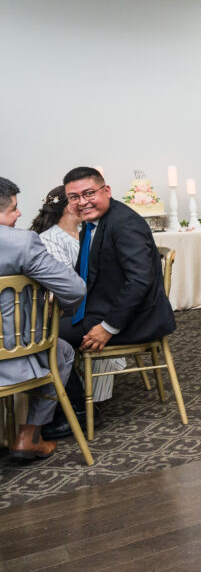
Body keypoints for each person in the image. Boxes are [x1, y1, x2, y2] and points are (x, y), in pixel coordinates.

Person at [0, 177, 85, 460]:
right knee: (61, 350)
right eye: (13, 209)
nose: (19, 213)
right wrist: (56, 311)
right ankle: (29, 435)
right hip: (14, 351)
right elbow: (74, 288)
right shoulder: (21, 242)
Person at [58, 166, 176, 356]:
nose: (82, 202)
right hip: (101, 307)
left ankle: (64, 377)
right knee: (41, 326)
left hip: (134, 320)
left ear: (106, 191)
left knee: (41, 336)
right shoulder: (92, 223)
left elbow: (139, 280)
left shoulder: (125, 223)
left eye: (89, 193)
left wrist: (108, 327)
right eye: (74, 197)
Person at [30, 186, 125, 410]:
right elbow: (65, 287)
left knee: (96, 322)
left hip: (99, 304)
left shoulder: (88, 231)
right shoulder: (50, 239)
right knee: (80, 329)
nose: (85, 203)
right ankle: (83, 402)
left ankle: (88, 401)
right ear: (67, 207)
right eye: (76, 199)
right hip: (69, 307)